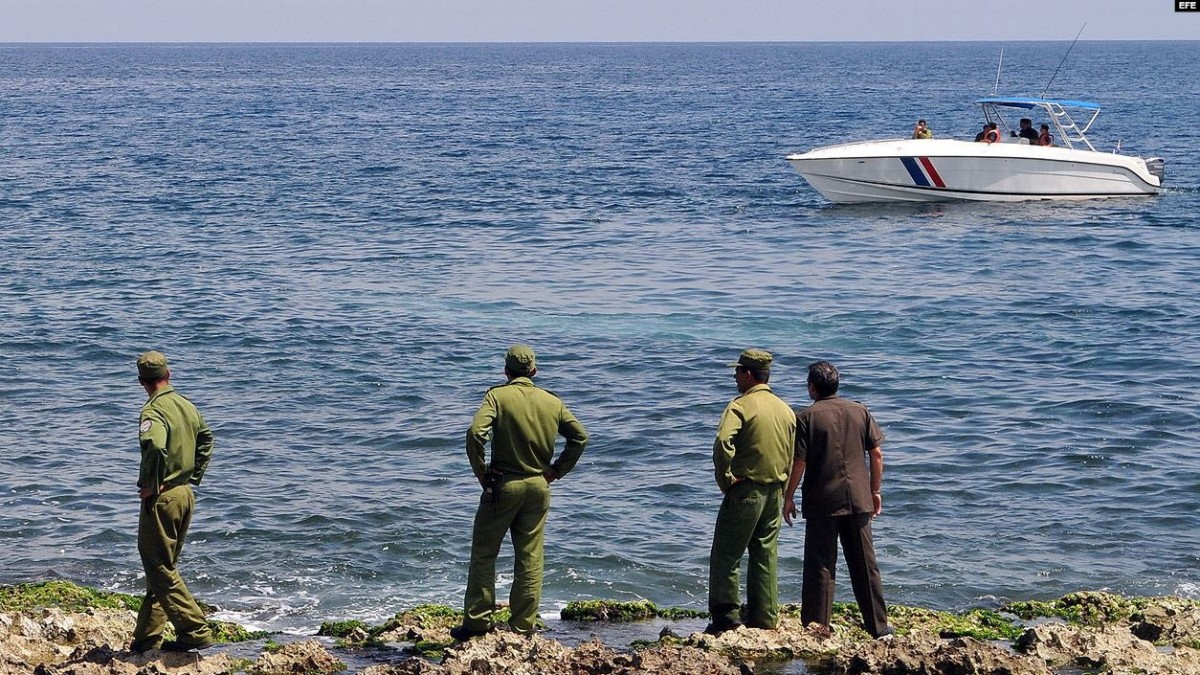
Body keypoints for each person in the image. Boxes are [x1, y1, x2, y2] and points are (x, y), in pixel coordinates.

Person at [452, 345, 589, 640]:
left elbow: (476, 433)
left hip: (503, 485)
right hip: (539, 486)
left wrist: (482, 471)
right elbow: (580, 437)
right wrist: (555, 471)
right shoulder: (552, 402)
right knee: (530, 557)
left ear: (506, 371)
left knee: (485, 554)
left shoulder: (497, 397)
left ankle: (477, 623)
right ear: (534, 371)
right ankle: (523, 626)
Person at [784, 361, 893, 639]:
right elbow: (877, 454)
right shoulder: (860, 411)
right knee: (865, 564)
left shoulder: (806, 417)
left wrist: (789, 495)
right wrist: (875, 490)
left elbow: (800, 461)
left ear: (812, 387)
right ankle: (879, 628)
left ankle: (817, 628)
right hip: (859, 498)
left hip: (822, 501)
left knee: (821, 564)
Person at [130, 351, 216, 653]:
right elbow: (207, 439)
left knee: (158, 566)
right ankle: (146, 640)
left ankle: (194, 630)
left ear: (141, 381)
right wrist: (193, 475)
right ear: (170, 374)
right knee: (163, 567)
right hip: (185, 495)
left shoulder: (154, 411)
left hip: (164, 498)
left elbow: (153, 444)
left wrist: (153, 485)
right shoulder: (186, 406)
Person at [706, 349, 796, 634]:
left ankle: (726, 617)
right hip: (775, 491)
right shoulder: (785, 409)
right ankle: (765, 617)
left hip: (745, 489)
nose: (734, 377)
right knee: (765, 554)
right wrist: (785, 491)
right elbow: (791, 453)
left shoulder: (741, 406)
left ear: (748, 374)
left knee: (726, 555)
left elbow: (723, 441)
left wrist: (726, 479)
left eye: (737, 372)